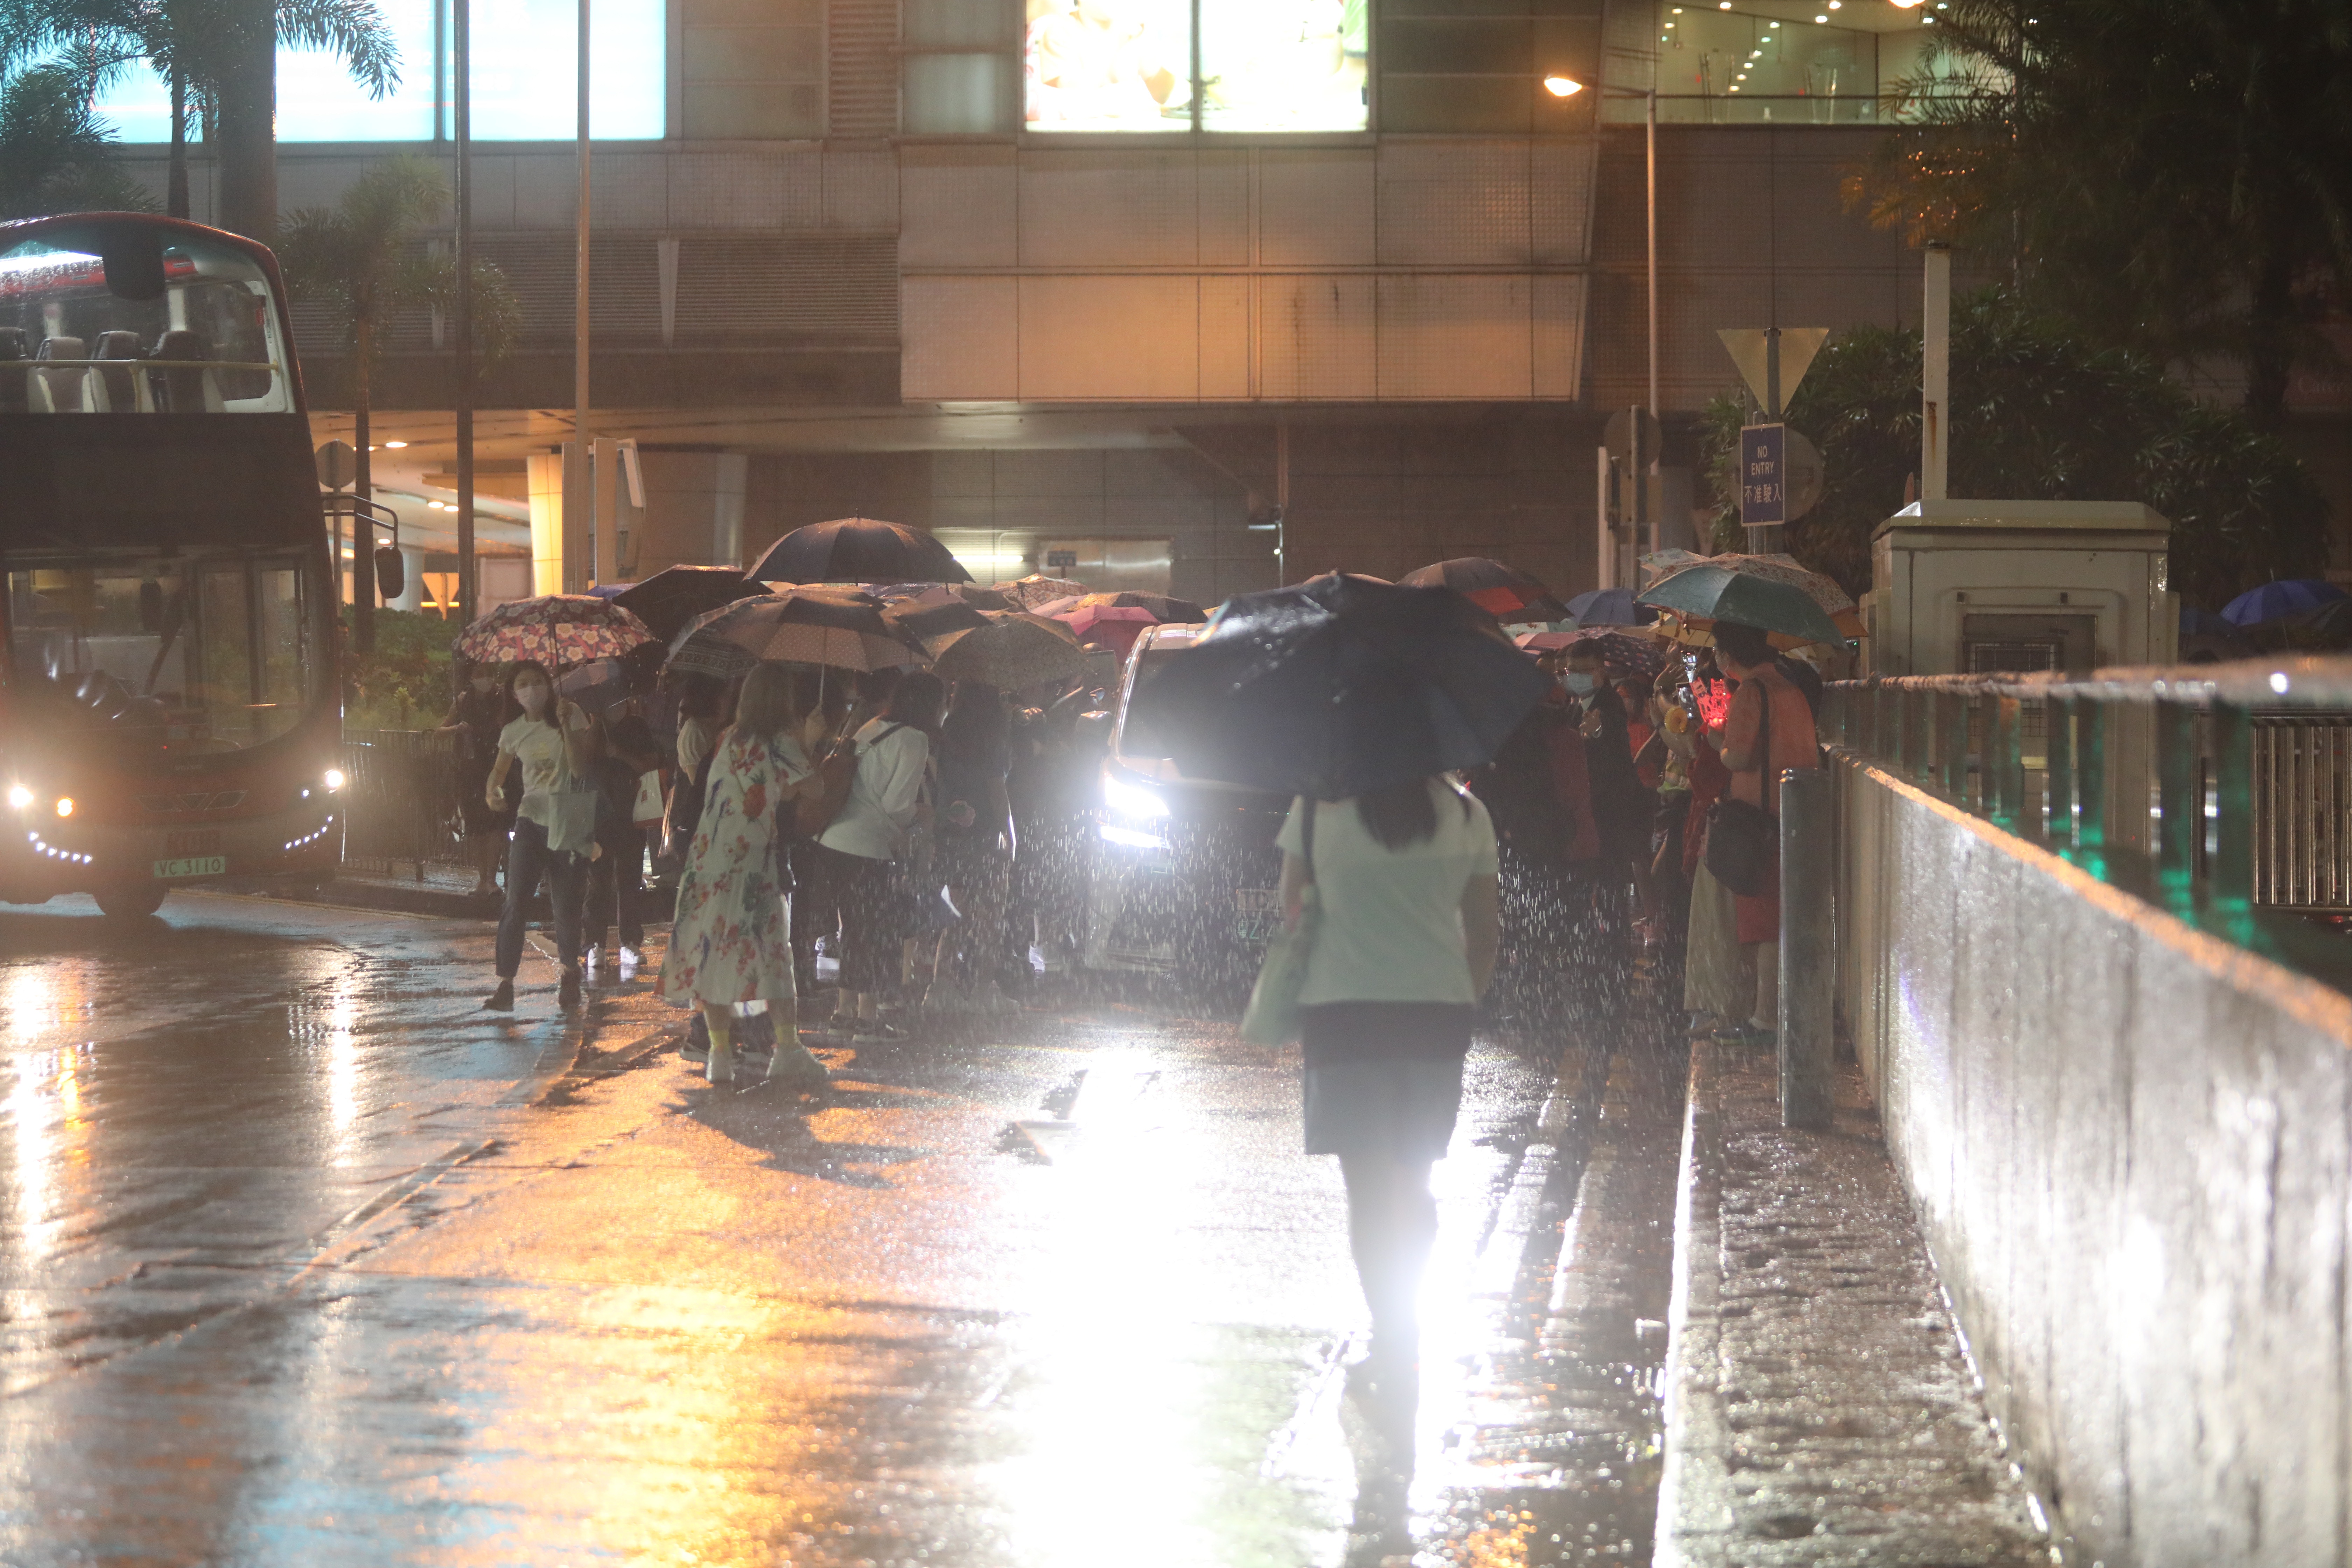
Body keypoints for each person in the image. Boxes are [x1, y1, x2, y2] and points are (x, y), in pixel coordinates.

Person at [1277, 772, 1502, 1409]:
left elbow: (1295, 916)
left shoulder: (1315, 811)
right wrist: (1457, 998)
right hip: (1434, 1019)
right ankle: (1407, 1318)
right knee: (1415, 1180)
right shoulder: (1468, 815)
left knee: (1370, 1194)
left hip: (1343, 1017)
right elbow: (1485, 935)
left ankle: (1392, 1330)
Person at [658, 662, 833, 1089]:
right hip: (753, 864)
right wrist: (811, 741)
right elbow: (816, 789)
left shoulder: (728, 738)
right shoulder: (782, 741)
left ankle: (719, 1054)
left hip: (707, 862)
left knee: (714, 955)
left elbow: (757, 790)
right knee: (771, 955)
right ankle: (788, 1049)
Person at [808, 671, 943, 1043]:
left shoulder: (872, 726)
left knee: (853, 930)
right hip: (867, 846)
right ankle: (868, 1020)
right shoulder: (914, 739)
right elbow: (897, 806)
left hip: (833, 840)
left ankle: (843, 1014)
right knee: (872, 932)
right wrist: (924, 815)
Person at [1712, 620, 1821, 1045]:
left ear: (1729, 654)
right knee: (1782, 917)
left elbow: (1739, 757)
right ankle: (1776, 1013)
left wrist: (1718, 743)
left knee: (1763, 922)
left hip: (1759, 820)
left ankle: (1765, 1019)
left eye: (1718, 650)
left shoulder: (1751, 692)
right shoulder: (1789, 687)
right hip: (1795, 811)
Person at [482, 661, 597, 1014]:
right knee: (516, 901)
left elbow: (580, 768)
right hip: (530, 822)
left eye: (538, 681)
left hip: (569, 821)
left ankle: (570, 973)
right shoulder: (514, 731)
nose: (532, 689)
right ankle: (505, 984)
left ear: (549, 685)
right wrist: (492, 793)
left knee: (566, 905)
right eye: (523, 684)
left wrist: (566, 727)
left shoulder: (570, 714)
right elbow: (498, 771)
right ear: (514, 693)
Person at [926, 681, 1017, 1016]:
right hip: (985, 833)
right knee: (990, 915)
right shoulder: (993, 736)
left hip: (951, 830)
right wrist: (1010, 834)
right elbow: (997, 790)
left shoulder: (946, 732)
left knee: (957, 912)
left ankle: (941, 987)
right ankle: (983, 990)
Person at [584, 714, 664, 976]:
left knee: (630, 880)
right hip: (598, 813)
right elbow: (582, 762)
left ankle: (630, 941)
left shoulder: (636, 725)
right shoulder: (592, 725)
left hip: (631, 811)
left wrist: (621, 754)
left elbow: (651, 763)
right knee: (598, 881)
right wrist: (596, 726)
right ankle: (594, 944)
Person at [439, 661, 511, 900]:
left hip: (497, 768)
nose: (486, 679)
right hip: (470, 770)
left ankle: (491, 878)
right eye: (481, 674)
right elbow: (440, 731)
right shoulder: (463, 701)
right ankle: (482, 878)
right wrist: (458, 729)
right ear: (471, 677)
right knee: (476, 826)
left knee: (496, 824)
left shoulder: (502, 699)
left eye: (490, 674)